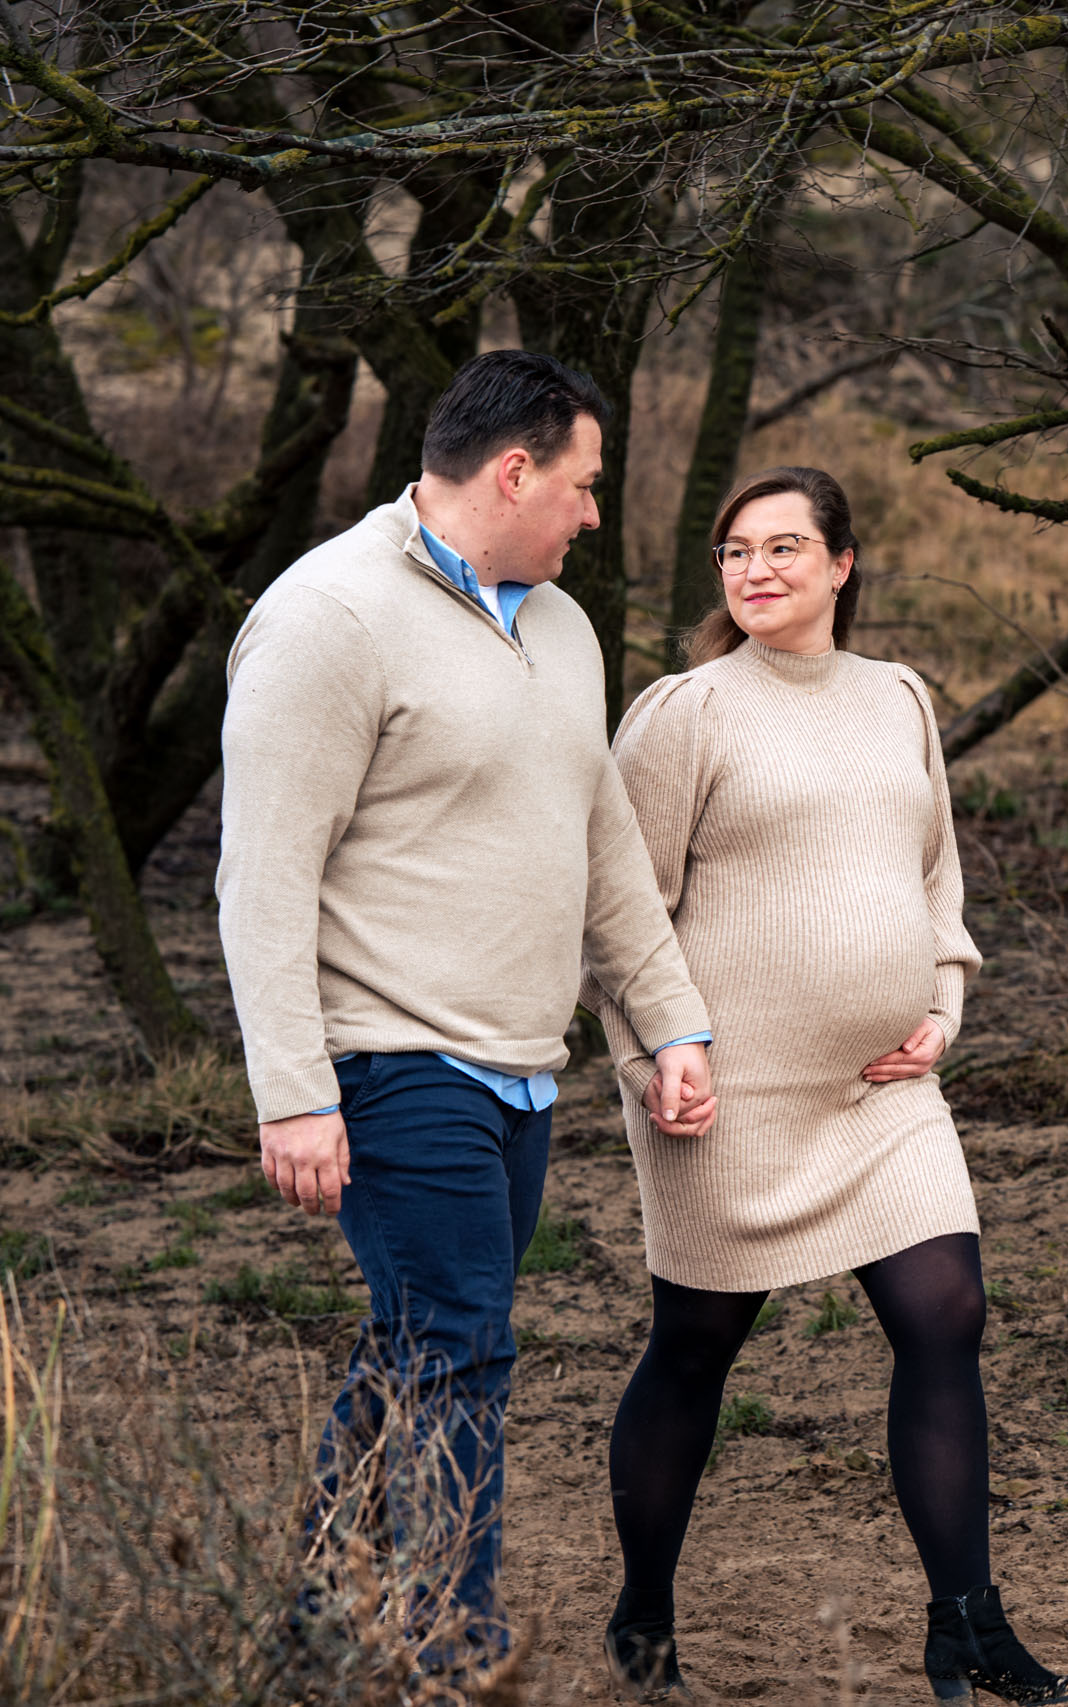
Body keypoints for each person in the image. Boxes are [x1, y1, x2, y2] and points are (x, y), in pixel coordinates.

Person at [219, 350, 719, 1669]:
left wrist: (672, 1020)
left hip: (517, 1067)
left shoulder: (559, 624)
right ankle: (455, 1644)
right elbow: (261, 877)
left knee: (412, 1345)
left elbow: (602, 841)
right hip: (389, 1057)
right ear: (515, 470)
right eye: (584, 482)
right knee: (460, 1347)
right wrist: (295, 1091)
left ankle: (320, 1628)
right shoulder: (327, 616)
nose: (594, 513)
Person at [585, 466, 1068, 1705]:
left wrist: (941, 1005)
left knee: (948, 1313)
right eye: (733, 552)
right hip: (728, 1093)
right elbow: (618, 910)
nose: (755, 569)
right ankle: (644, 1614)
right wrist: (657, 1053)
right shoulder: (685, 712)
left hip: (881, 1095)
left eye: (783, 547)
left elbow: (936, 879)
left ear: (841, 564)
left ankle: (966, 1627)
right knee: (697, 1345)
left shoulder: (897, 696)